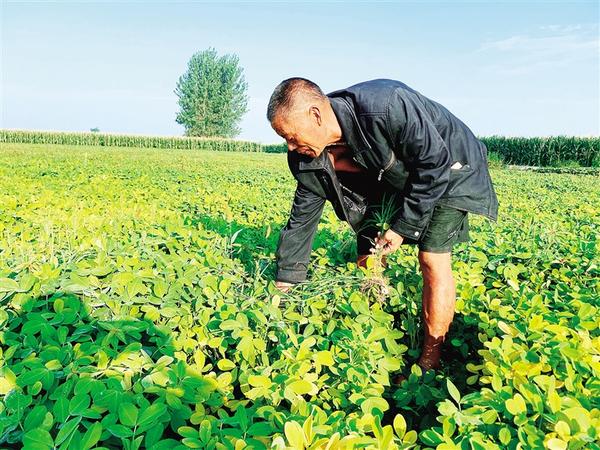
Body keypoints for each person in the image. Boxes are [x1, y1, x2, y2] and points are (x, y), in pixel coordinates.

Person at [266, 77, 498, 378]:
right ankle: (373, 318)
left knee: (432, 258)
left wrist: (402, 229)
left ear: (315, 115)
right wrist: (286, 281)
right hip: (396, 178)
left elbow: (434, 164)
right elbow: (302, 218)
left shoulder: (388, 106)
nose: (290, 146)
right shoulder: (304, 156)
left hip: (452, 166)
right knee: (367, 247)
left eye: (290, 136)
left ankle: (430, 360)